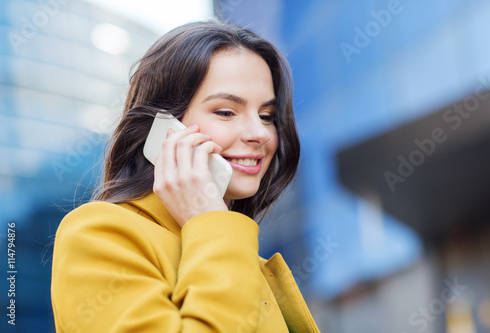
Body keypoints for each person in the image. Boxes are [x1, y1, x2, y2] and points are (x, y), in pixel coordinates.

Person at [51, 20, 320, 332]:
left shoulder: (239, 255)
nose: (259, 133)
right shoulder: (100, 234)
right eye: (226, 112)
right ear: (163, 128)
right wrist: (212, 226)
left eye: (267, 116)